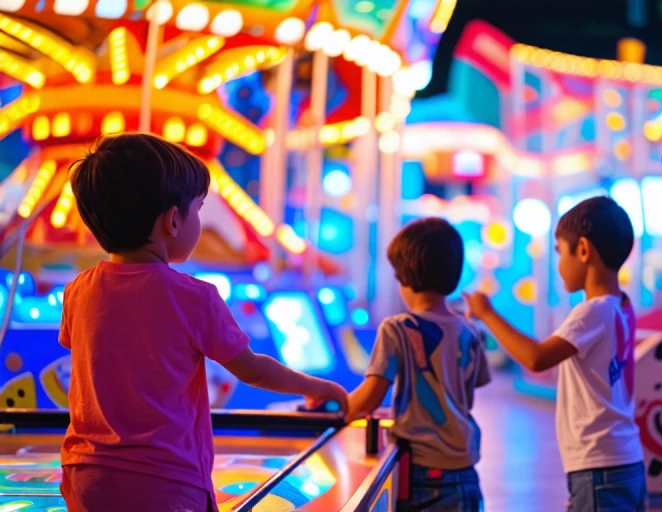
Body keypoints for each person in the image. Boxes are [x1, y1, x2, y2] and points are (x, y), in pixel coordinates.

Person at [59, 133, 348, 512]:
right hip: (163, 480)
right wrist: (317, 386)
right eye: (199, 210)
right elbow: (254, 370)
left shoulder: (78, 291)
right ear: (173, 221)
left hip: (85, 473)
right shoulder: (194, 296)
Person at [465, 196, 647, 512]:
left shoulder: (591, 312)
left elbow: (536, 357)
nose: (558, 263)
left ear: (584, 250)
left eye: (560, 252)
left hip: (598, 463)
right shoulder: (622, 306)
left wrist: (486, 313)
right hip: (626, 458)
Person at [347, 217, 491, 512]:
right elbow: (477, 380)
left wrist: (337, 407)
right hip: (465, 472)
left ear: (405, 277)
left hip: (420, 473)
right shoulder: (470, 330)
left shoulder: (398, 328)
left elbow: (370, 397)